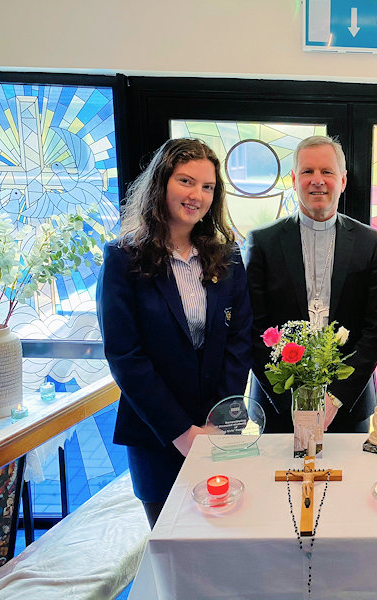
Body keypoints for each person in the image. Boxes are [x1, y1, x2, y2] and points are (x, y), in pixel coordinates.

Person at [97, 138, 251, 528]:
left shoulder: (227, 256)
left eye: (208, 187)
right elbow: (125, 356)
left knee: (225, 536)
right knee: (172, 547)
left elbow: (240, 342)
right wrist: (182, 433)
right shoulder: (122, 259)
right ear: (161, 183)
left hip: (220, 429)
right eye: (186, 181)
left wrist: (218, 420)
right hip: (156, 435)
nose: (196, 195)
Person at [245, 135, 377, 433]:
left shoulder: (368, 242)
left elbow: (376, 329)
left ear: (343, 180)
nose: (317, 180)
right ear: (294, 179)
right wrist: (291, 399)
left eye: (327, 172)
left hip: (349, 404)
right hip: (279, 406)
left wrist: (336, 398)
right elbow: (252, 329)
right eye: (307, 172)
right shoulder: (263, 242)